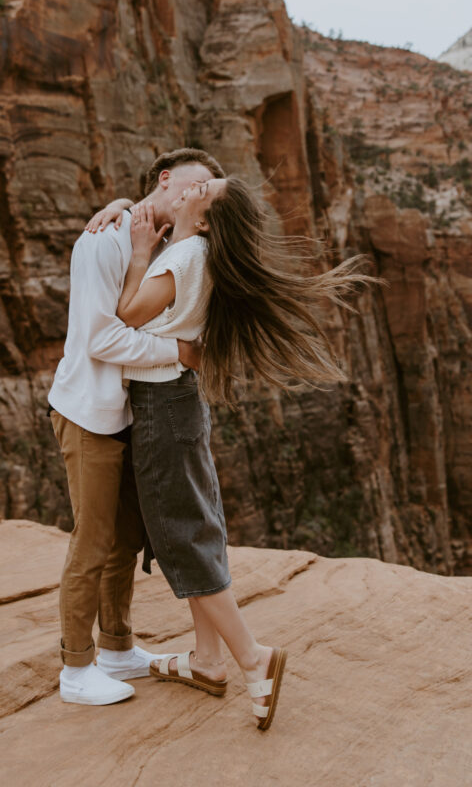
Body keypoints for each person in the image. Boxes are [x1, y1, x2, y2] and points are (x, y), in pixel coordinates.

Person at [102, 174, 375, 731]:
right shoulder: (192, 248)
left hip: (162, 410)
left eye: (205, 188)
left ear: (202, 218)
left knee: (181, 532)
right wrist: (129, 211)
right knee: (199, 526)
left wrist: (136, 255)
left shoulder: (184, 256)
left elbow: (128, 314)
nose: (196, 183)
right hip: (180, 403)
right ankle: (207, 660)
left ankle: (252, 658)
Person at [48, 148, 225, 706]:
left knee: (126, 539)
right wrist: (179, 351)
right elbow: (102, 337)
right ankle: (76, 670)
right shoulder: (104, 238)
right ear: (166, 179)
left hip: (133, 414)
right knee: (94, 539)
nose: (197, 198)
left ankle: (118, 648)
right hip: (90, 414)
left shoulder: (167, 245)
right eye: (192, 186)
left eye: (207, 195)